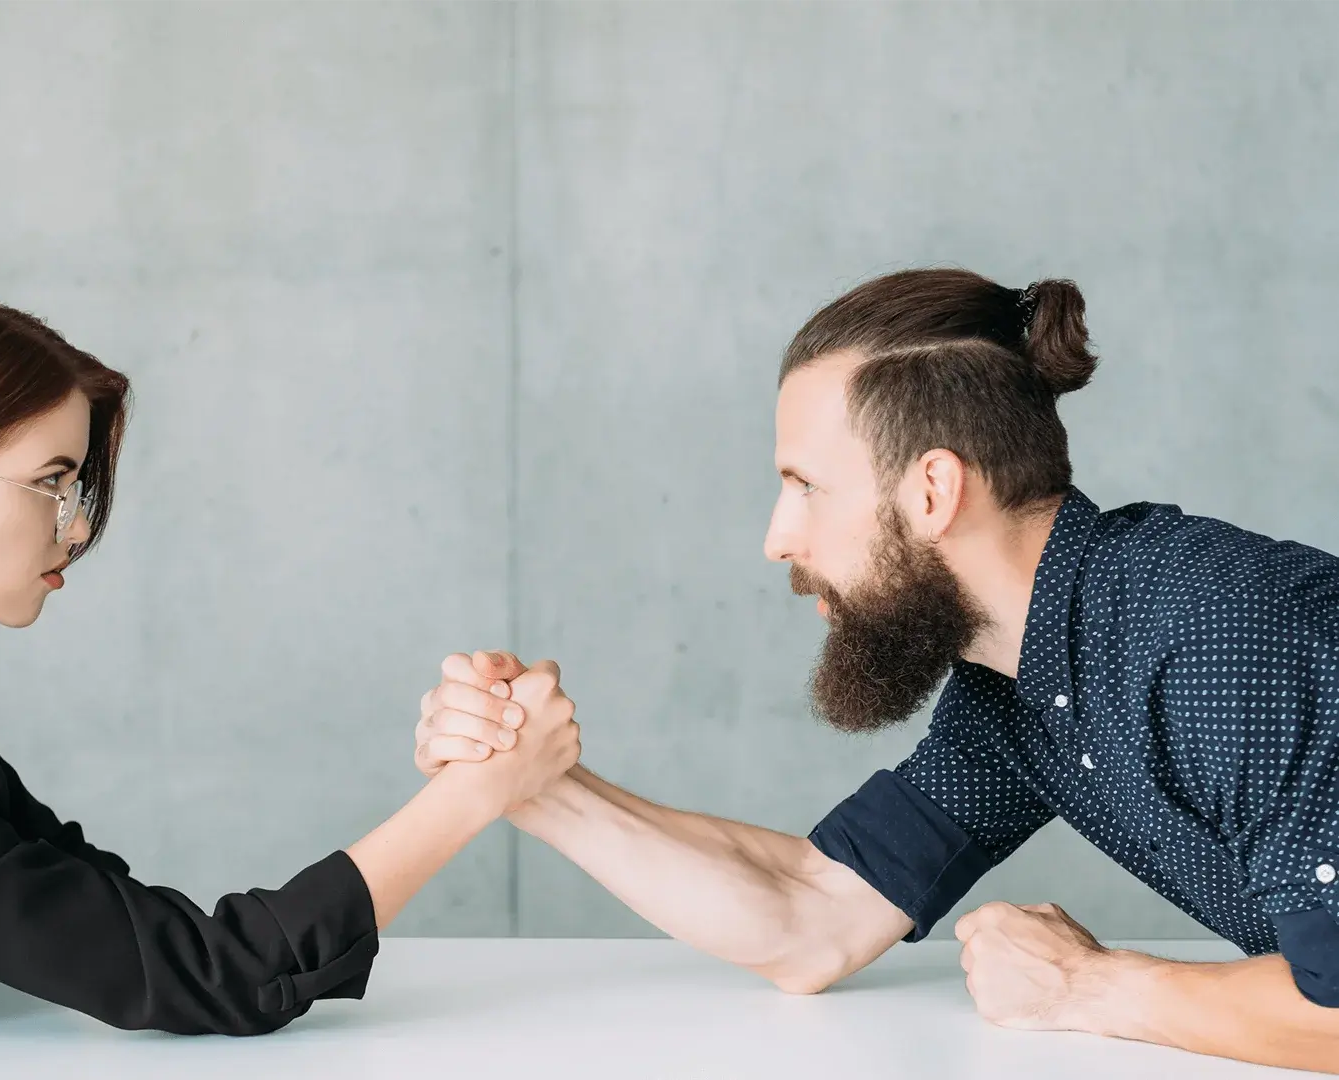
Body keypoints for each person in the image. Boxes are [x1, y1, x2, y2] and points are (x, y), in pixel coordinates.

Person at [414, 268, 1339, 1072]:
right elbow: (812, 915)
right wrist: (530, 784)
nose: (777, 540)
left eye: (804, 487)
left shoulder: (1222, 637)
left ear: (931, 491)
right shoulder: (1019, 679)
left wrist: (1091, 987)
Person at [0, 287, 581, 1080]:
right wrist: (473, 795)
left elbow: (66, 880)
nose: (80, 524)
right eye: (53, 484)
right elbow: (202, 978)